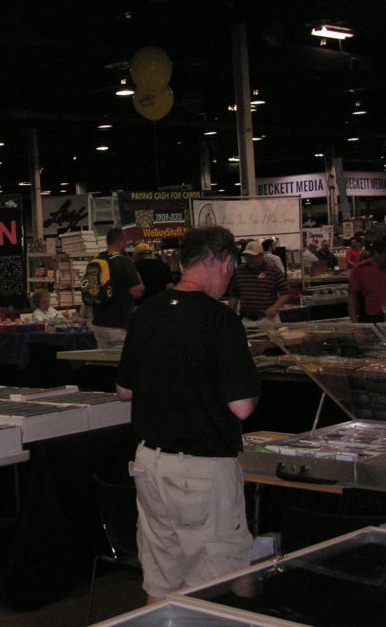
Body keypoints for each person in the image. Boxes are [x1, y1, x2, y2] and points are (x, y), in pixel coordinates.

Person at [116, 226, 259, 604]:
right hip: (203, 471)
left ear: (182, 263)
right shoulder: (220, 320)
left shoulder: (146, 313)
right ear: (224, 262)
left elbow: (124, 390)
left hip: (151, 465)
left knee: (161, 580)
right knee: (218, 584)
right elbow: (242, 406)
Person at [90, 227, 144, 349]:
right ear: (121, 241)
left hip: (98, 323)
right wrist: (138, 277)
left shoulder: (96, 260)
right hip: (117, 324)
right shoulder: (124, 261)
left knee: (102, 358)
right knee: (119, 358)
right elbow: (137, 292)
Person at [227, 240, 289, 324]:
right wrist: (231, 313)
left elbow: (286, 292)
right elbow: (234, 294)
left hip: (268, 319)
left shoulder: (273, 271)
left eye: (253, 257)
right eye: (248, 257)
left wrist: (275, 307)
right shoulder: (239, 271)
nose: (250, 260)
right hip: (246, 319)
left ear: (261, 255)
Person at [348, 236, 386, 322]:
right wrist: (355, 324)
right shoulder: (361, 269)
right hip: (370, 319)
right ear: (376, 253)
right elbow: (352, 297)